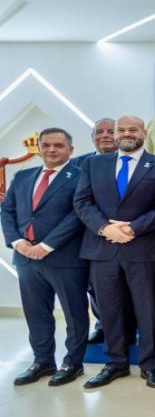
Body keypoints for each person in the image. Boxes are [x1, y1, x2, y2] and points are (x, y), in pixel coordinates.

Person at [74, 116, 155, 389]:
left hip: (144, 249)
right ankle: (115, 364)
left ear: (144, 133)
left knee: (147, 310)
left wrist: (132, 228)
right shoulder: (93, 164)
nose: (127, 133)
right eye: (122, 130)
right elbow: (82, 202)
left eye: (133, 129)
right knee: (110, 310)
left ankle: (151, 365)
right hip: (103, 248)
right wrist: (105, 228)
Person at [2, 128, 88, 387]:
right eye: (46, 145)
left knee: (74, 313)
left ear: (70, 149)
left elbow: (77, 214)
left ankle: (73, 363)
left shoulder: (81, 176)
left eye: (58, 145)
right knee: (36, 312)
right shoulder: (23, 176)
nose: (51, 149)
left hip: (64, 257)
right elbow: (7, 211)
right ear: (38, 148)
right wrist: (17, 242)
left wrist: (47, 245)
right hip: (26, 258)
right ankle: (42, 361)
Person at [70, 117, 119, 345]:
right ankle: (102, 326)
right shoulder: (76, 165)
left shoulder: (135, 163)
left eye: (111, 131)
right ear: (92, 138)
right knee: (94, 288)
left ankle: (131, 328)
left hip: (128, 235)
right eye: (100, 132)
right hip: (88, 236)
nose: (105, 135)